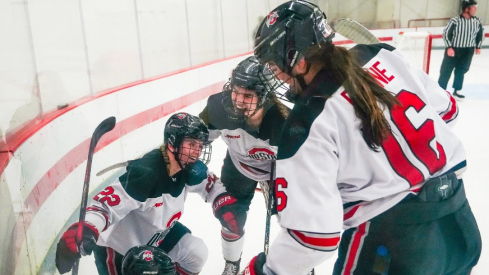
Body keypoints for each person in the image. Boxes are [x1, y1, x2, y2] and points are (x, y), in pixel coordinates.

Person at [242, 1, 482, 274]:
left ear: (298, 60)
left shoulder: (306, 122)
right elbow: (447, 112)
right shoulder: (381, 55)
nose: (279, 77)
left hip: (392, 248)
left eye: (275, 67)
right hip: (460, 227)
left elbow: (314, 239)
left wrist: (262, 269)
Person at [55, 112, 245, 275]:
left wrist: (223, 203)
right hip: (118, 248)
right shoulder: (146, 174)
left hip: (155, 236)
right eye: (191, 144)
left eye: (200, 145)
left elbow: (210, 185)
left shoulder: (186, 168)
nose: (197, 151)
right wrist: (87, 228)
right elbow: (105, 205)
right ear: (173, 143)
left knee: (195, 253)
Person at [199, 56, 290, 275]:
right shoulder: (218, 108)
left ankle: (299, 264)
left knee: (293, 220)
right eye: (236, 92)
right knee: (231, 219)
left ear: (265, 96)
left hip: (279, 171)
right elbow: (194, 138)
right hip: (239, 167)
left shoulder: (285, 120)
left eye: (247, 95)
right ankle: (232, 263)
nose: (238, 101)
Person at [438, 0, 484, 99]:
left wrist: (478, 46)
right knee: (446, 70)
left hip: (468, 50)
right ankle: (440, 90)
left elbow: (480, 34)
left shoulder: (477, 21)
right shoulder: (455, 20)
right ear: (466, 9)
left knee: (461, 70)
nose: (475, 9)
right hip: (454, 49)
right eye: (473, 7)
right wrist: (449, 47)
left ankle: (456, 90)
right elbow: (446, 33)